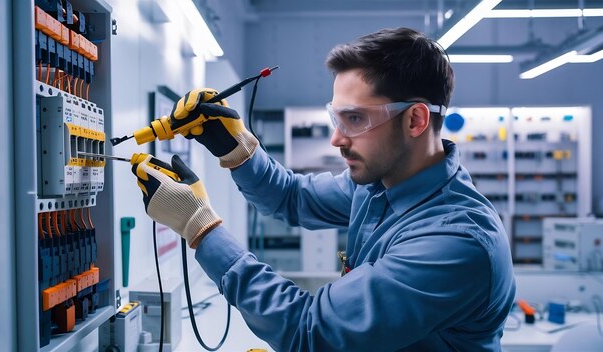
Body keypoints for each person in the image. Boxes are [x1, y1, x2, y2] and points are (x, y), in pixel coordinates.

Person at [131, 27, 516, 351]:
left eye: (355, 119)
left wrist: (201, 228)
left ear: (415, 120)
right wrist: (238, 150)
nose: (336, 138)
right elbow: (293, 198)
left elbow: (309, 332)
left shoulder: (456, 242)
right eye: (337, 117)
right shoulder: (381, 184)